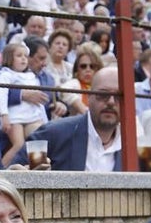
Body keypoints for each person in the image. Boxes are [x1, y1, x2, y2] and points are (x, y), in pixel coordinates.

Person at [8, 66, 136, 171]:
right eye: (103, 94)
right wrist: (21, 175)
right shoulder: (53, 133)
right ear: (89, 97)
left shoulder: (134, 145)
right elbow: (9, 177)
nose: (111, 102)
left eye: (119, 97)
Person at [0, 42, 47, 163]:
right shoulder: (6, 75)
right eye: (19, 55)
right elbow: (0, 94)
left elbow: (39, 101)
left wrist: (44, 120)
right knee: (19, 145)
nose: (23, 58)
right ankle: (0, 170)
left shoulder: (32, 76)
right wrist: (4, 115)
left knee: (38, 142)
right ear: (9, 58)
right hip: (15, 118)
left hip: (33, 117)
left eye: (25, 55)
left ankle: (39, 169)